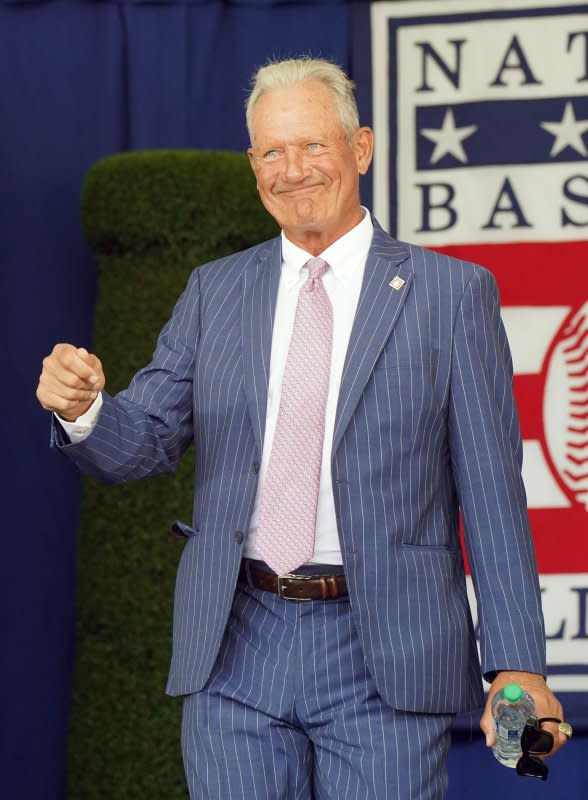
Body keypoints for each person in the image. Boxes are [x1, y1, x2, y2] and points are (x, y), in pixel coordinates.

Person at [37, 57, 570, 798]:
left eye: (314, 146)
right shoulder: (214, 292)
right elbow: (146, 439)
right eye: (272, 152)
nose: (293, 171)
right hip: (235, 645)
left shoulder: (451, 296)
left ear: (361, 148)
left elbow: (491, 495)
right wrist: (83, 411)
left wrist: (517, 665)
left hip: (383, 650)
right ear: (254, 164)